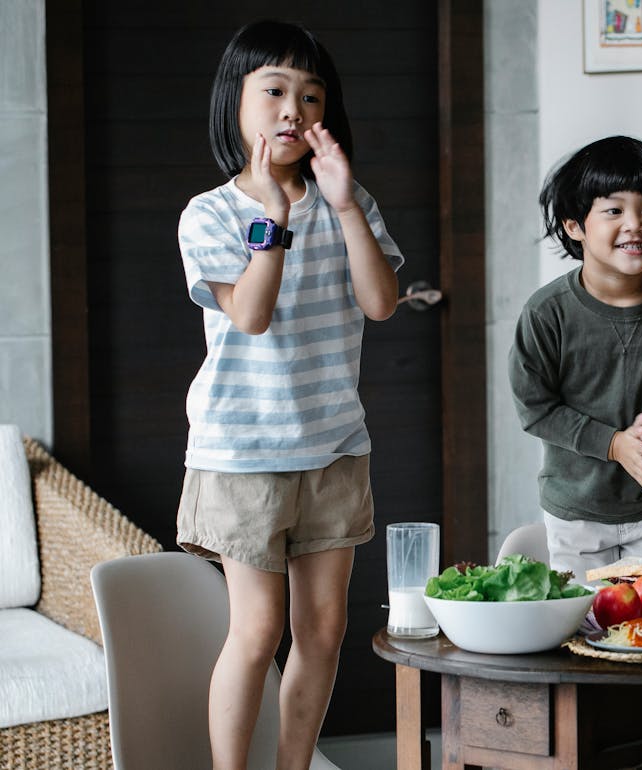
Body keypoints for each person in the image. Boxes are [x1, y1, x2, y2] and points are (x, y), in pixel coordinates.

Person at [175, 20, 401, 770]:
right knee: (257, 631)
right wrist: (272, 218)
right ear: (234, 104)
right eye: (273, 90)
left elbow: (381, 303)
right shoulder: (210, 212)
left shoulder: (347, 200)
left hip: (333, 446)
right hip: (242, 451)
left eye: (310, 96)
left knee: (325, 632)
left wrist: (343, 206)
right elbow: (250, 313)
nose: (293, 110)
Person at [509, 135, 642, 581]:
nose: (635, 224)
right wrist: (614, 444)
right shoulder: (546, 313)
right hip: (578, 507)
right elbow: (536, 409)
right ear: (574, 226)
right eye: (614, 210)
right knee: (584, 618)